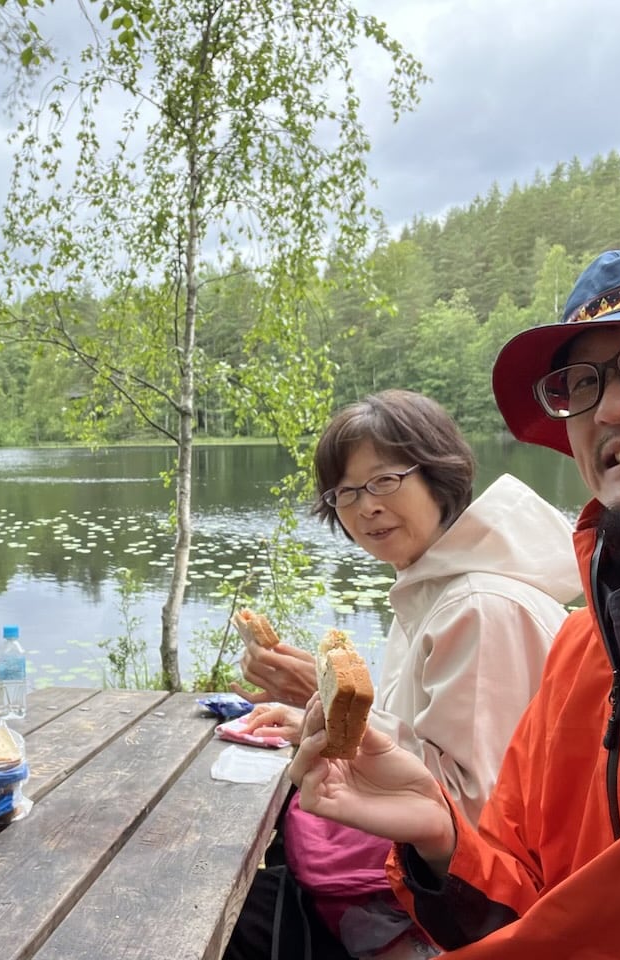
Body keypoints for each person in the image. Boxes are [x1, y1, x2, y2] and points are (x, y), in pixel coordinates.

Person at [290, 229, 620, 958]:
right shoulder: (587, 649)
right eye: (584, 384)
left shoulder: (484, 606)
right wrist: (437, 835)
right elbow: (526, 900)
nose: (612, 409)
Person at [226, 390, 580, 960]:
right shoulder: (432, 590)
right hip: (415, 879)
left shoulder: (479, 606)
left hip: (467, 909)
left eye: (386, 481)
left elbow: (475, 805)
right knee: (259, 889)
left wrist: (333, 707)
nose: (366, 507)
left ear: (440, 474)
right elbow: (426, 741)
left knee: (237, 912)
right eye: (345, 492)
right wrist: (312, 716)